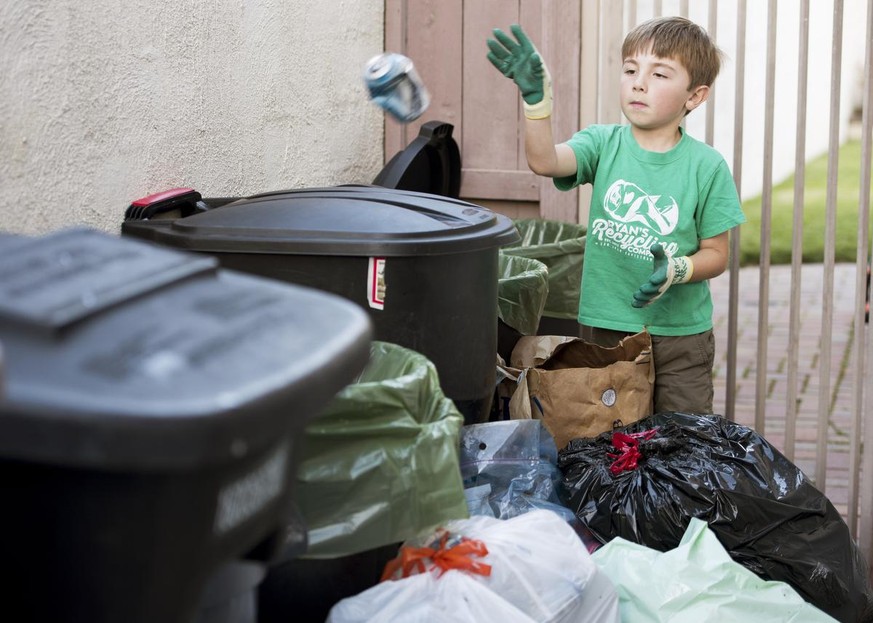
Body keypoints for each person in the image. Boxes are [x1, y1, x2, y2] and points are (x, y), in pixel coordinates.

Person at [487, 16, 746, 414]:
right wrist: (537, 103)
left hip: (680, 338)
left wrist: (676, 270)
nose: (638, 82)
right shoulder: (602, 143)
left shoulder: (706, 166)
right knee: (612, 439)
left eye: (659, 74)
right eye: (630, 70)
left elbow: (717, 253)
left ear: (694, 97)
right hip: (608, 328)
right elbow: (544, 160)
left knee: (681, 441)